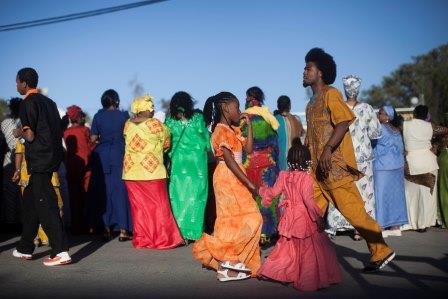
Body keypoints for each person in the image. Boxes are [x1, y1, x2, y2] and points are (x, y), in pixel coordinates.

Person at [302, 48, 394, 272]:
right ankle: (306, 258)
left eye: (308, 68)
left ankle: (381, 250)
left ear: (320, 73)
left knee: (353, 211)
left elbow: (343, 122)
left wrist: (328, 150)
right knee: (306, 212)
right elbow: (311, 137)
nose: (304, 72)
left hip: (333, 168)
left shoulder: (331, 94)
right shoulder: (310, 104)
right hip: (316, 172)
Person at [193, 92, 262, 282]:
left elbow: (247, 150)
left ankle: (232, 263)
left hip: (235, 176)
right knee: (242, 217)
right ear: (225, 108)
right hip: (228, 177)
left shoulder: (232, 130)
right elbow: (230, 160)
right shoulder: (220, 130)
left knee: (239, 219)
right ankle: (228, 261)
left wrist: (248, 126)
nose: (239, 111)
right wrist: (249, 184)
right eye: (237, 107)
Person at [257, 138, 341, 291]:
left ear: (289, 161)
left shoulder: (284, 176)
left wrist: (262, 192)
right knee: (308, 249)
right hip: (303, 217)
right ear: (307, 162)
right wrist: (318, 218)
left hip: (289, 216)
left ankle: (278, 271)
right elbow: (308, 201)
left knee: (287, 247)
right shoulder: (306, 178)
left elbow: (274, 193)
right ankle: (306, 279)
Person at [12, 67, 70, 266]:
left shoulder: (27, 102)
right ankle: (24, 248)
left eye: (17, 82)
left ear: (25, 83)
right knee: (31, 201)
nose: (17, 85)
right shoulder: (49, 102)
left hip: (39, 160)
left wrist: (18, 132)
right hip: (52, 157)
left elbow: (30, 135)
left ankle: (61, 251)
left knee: (46, 204)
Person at [123, 95, 182, 249]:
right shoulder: (155, 125)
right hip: (152, 172)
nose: (154, 110)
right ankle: (164, 240)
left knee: (140, 209)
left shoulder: (127, 124)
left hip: (130, 173)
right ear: (146, 110)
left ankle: (143, 240)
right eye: (152, 108)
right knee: (160, 207)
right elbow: (166, 144)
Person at [326, 75, 381, 240]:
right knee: (365, 193)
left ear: (344, 89)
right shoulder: (367, 108)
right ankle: (361, 229)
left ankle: (333, 227)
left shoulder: (338, 107)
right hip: (363, 158)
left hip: (343, 155)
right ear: (358, 90)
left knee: (340, 189)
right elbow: (375, 133)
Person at [164, 91, 210, 243]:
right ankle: (196, 233)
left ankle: (180, 234)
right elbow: (208, 142)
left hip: (178, 166)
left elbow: (165, 144)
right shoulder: (198, 119)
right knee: (197, 198)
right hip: (198, 167)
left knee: (178, 198)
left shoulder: (169, 122)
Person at [89, 89, 132, 241]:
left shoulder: (98, 116)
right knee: (120, 191)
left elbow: (93, 138)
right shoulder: (123, 116)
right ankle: (123, 229)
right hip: (119, 155)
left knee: (105, 192)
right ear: (116, 101)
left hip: (102, 156)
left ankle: (106, 228)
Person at [402, 105, 448, 232]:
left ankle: (411, 223)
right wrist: (436, 145)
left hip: (411, 163)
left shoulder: (405, 125)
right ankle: (425, 223)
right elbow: (445, 130)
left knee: (411, 195)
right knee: (427, 196)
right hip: (429, 163)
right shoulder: (431, 127)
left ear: (415, 113)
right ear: (426, 115)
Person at [243, 86, 280, 247]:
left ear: (249, 99)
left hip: (249, 163)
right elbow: (274, 145)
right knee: (267, 198)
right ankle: (268, 232)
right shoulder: (268, 117)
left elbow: (242, 143)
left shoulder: (244, 119)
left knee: (251, 198)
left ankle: (253, 232)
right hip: (268, 164)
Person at [12, 139, 64, 247]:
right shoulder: (27, 133)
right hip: (31, 174)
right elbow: (19, 153)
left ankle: (52, 238)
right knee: (34, 208)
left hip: (45, 174)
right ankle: (36, 238)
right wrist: (17, 170)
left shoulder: (32, 132)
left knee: (51, 207)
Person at [373, 106, 408, 236]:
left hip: (382, 167)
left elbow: (372, 144)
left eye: (380, 113)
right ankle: (395, 227)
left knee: (381, 196)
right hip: (397, 166)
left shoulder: (380, 128)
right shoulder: (397, 130)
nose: (378, 115)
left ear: (387, 117)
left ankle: (381, 227)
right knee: (395, 197)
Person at [63, 105, 93, 234]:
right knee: (86, 196)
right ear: (78, 117)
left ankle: (76, 226)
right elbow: (90, 147)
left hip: (71, 167)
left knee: (74, 197)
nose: (84, 117)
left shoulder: (66, 133)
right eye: (82, 115)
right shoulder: (85, 130)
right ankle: (88, 225)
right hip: (85, 168)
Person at [1, 97, 21, 224]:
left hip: (9, 161)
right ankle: (15, 222)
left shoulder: (5, 122)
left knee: (10, 193)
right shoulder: (17, 123)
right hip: (16, 161)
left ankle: (11, 221)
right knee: (17, 192)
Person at [274, 95, 304, 171]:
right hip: (296, 156)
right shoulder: (296, 119)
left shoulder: (274, 119)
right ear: (289, 106)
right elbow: (302, 133)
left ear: (278, 106)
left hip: (280, 158)